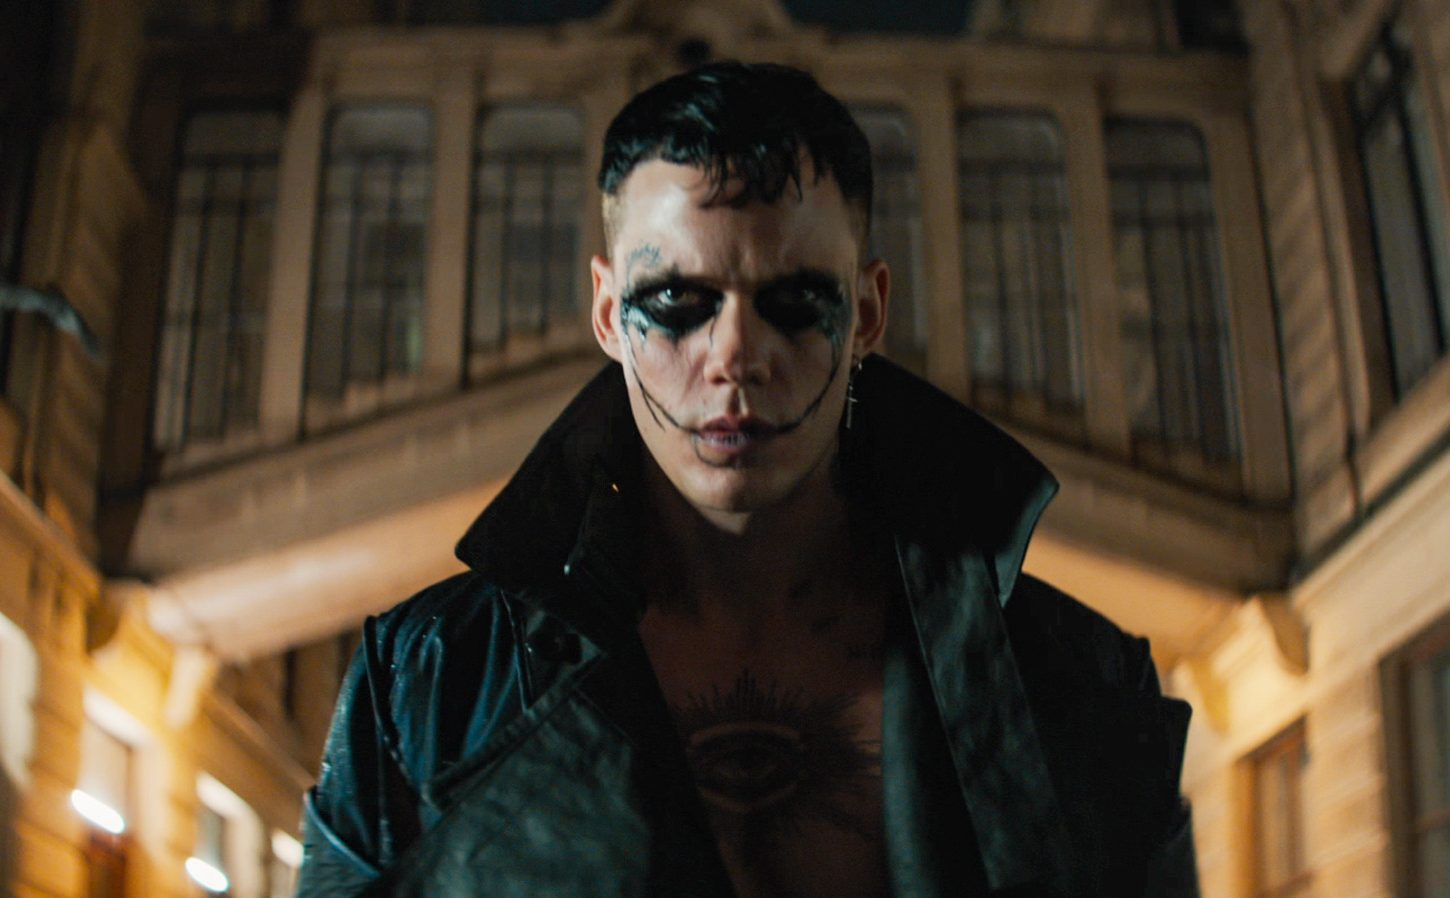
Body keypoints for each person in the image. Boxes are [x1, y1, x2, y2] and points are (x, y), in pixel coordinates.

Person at [295, 61, 1199, 898]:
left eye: (794, 302)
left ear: (868, 312)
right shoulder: (422, 684)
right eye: (676, 303)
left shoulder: (1082, 686)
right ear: (608, 314)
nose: (734, 356)